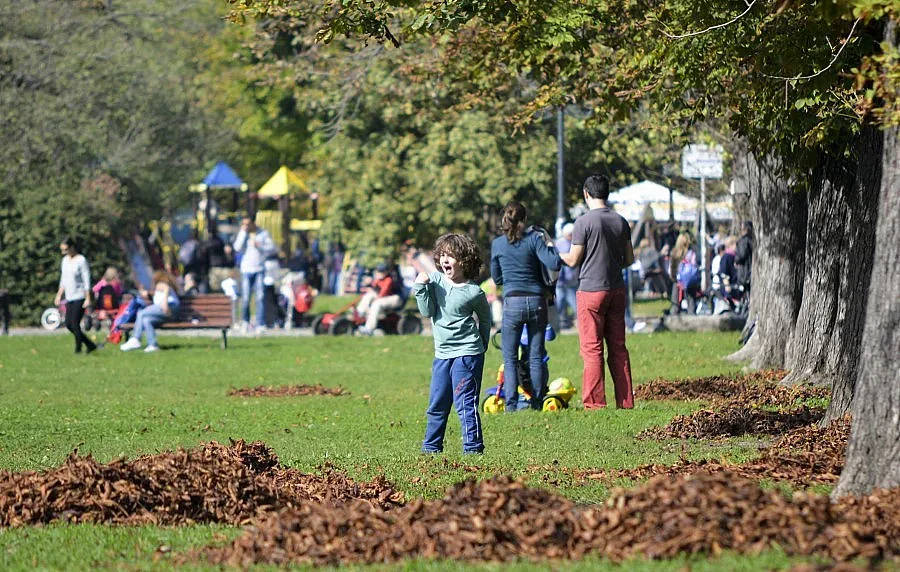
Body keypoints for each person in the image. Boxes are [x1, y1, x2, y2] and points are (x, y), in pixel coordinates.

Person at [559, 174, 635, 410]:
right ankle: (625, 401)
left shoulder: (584, 222)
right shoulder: (621, 221)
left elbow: (573, 260)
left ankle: (595, 403)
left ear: (586, 194)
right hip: (616, 289)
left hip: (591, 290)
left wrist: (553, 253)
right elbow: (629, 259)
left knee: (592, 349)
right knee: (618, 347)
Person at [414, 233, 491, 454]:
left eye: (452, 256)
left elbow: (485, 319)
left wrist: (482, 345)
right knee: (437, 403)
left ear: (464, 261)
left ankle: (473, 449)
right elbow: (427, 311)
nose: (446, 260)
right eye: (443, 255)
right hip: (442, 354)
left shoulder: (474, 292)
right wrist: (420, 288)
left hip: (467, 354)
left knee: (465, 403)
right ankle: (431, 447)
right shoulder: (435, 281)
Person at [490, 201, 562, 411]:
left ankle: (511, 404)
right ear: (525, 219)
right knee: (536, 354)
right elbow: (554, 263)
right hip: (537, 301)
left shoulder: (498, 244)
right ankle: (537, 401)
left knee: (510, 357)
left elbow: (497, 277)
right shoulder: (534, 239)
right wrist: (549, 244)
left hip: (512, 302)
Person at [120, 271, 180, 353]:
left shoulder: (161, 283)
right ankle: (153, 345)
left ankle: (136, 338)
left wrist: (165, 303)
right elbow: (156, 297)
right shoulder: (158, 290)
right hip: (170, 312)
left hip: (170, 306)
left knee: (141, 313)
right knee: (146, 320)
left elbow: (166, 288)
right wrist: (147, 293)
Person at [55, 237, 97, 354]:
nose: (64, 253)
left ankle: (78, 349)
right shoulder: (65, 261)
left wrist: (88, 297)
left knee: (75, 324)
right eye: (62, 250)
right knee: (69, 324)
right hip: (69, 296)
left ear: (72, 247)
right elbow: (63, 279)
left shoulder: (81, 260)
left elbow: (86, 281)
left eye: (66, 249)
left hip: (80, 296)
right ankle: (90, 344)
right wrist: (59, 295)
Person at [233, 217, 275, 331]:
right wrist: (243, 233)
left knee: (260, 297)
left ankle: (260, 323)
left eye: (248, 224)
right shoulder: (243, 234)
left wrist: (259, 245)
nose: (246, 226)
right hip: (246, 270)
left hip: (259, 269)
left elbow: (272, 248)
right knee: (246, 297)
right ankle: (245, 322)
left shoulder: (263, 233)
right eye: (244, 224)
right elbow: (236, 247)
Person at [356, 263, 403, 335]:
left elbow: (383, 293)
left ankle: (369, 328)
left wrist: (374, 299)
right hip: (386, 297)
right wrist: (369, 284)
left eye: (382, 271)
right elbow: (374, 287)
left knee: (377, 303)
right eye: (379, 271)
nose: (380, 273)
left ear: (386, 272)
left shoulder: (388, 280)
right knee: (369, 295)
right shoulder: (379, 279)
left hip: (396, 299)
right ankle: (360, 312)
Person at [555, 222, 579, 329]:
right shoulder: (559, 243)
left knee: (576, 305)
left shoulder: (575, 244)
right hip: (560, 281)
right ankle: (556, 324)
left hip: (571, 281)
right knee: (559, 304)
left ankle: (579, 323)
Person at [735, 220, 754, 292]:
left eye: (741, 228)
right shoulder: (752, 239)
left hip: (745, 272)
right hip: (749, 272)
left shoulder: (744, 240)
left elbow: (742, 255)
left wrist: (736, 260)